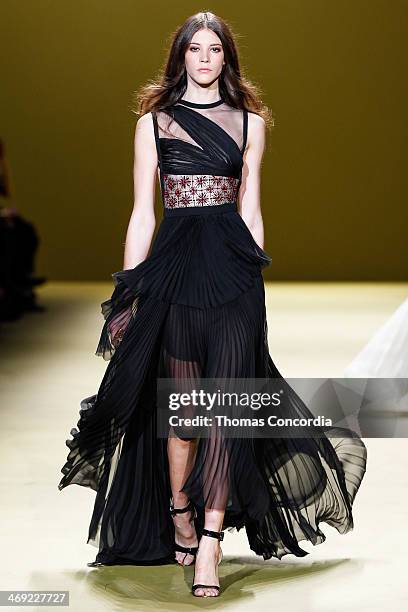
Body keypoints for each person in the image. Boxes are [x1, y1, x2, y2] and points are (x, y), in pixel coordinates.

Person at [58, 11, 367, 598]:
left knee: (223, 410)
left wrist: (256, 275)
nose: (205, 58)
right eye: (194, 49)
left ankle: (211, 541)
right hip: (174, 272)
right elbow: (143, 212)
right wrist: (128, 288)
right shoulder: (154, 124)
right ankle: (179, 508)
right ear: (180, 57)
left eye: (215, 49)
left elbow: (251, 205)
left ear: (227, 58)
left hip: (231, 272)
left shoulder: (251, 123)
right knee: (185, 416)